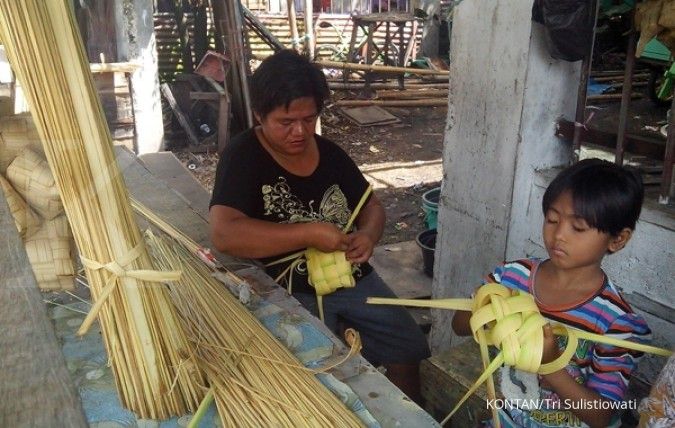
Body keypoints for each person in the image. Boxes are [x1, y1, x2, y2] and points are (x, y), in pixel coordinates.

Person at [209, 49, 430, 404]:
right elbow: (224, 233)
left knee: (409, 346)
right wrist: (308, 232)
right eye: (286, 122)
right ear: (259, 115)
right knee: (312, 374)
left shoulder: (329, 154)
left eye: (309, 119)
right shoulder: (243, 156)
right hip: (285, 287)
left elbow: (370, 206)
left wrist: (368, 236)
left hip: (350, 276)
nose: (300, 131)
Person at [452, 159, 651, 428]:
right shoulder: (512, 277)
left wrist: (550, 365)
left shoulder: (616, 322)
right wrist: (484, 309)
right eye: (552, 219)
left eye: (578, 228)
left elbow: (601, 416)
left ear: (617, 240)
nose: (559, 235)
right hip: (509, 418)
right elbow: (459, 326)